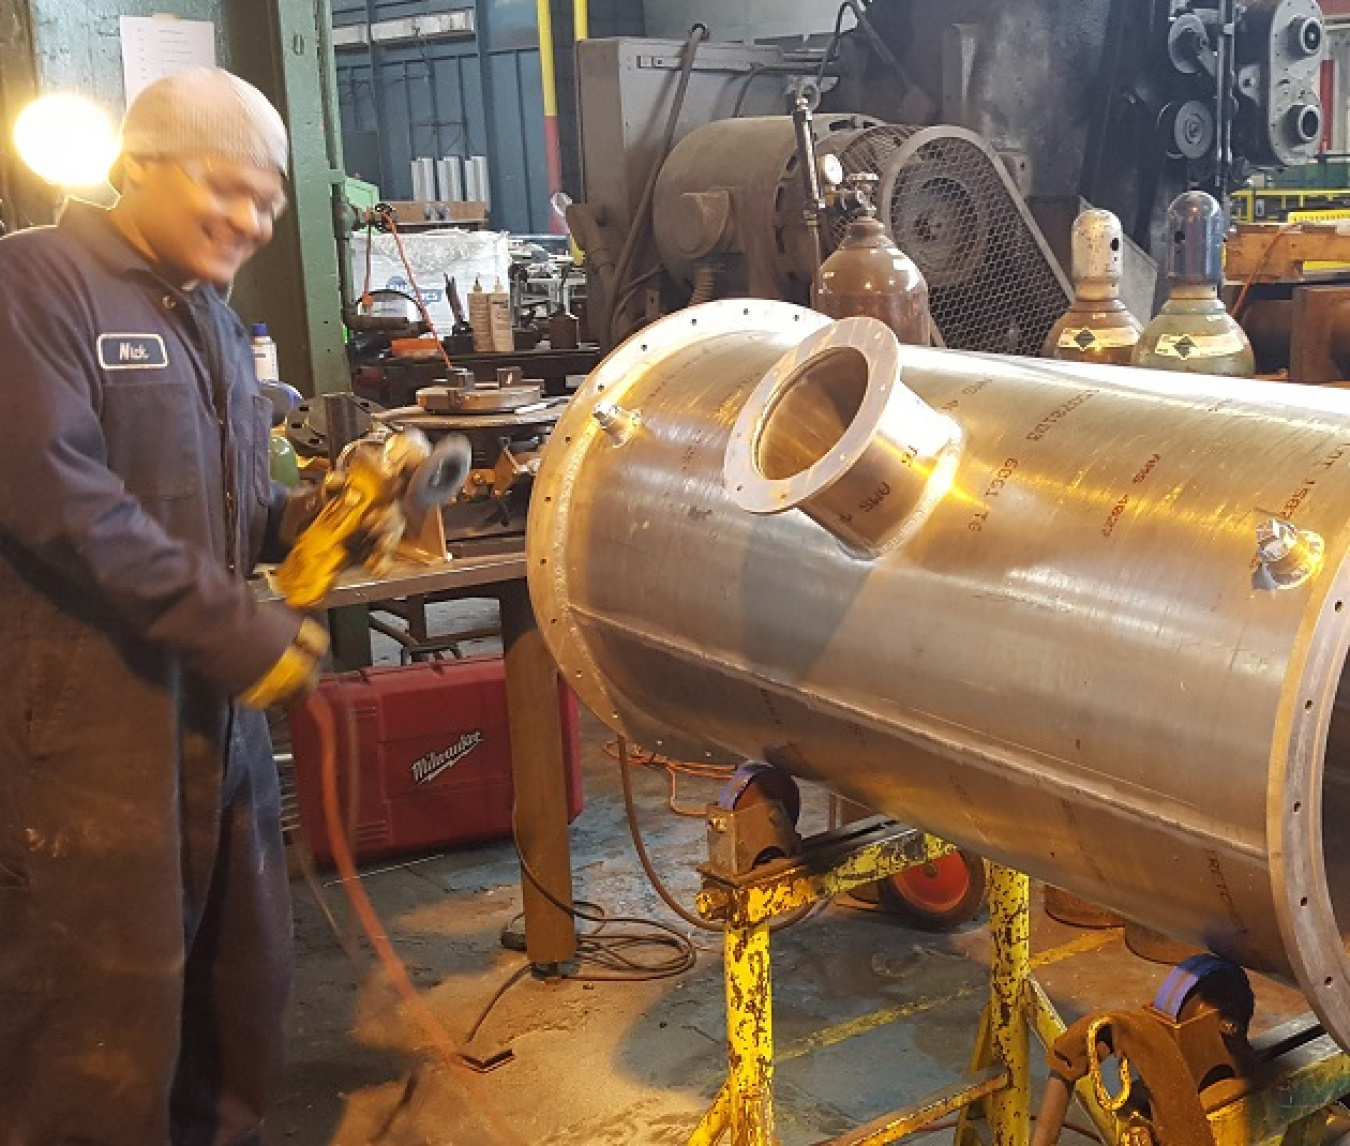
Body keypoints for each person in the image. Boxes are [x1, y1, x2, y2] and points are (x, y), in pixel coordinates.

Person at [0, 68, 328, 1145]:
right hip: (83, 730)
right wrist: (239, 627)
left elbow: (223, 502)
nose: (251, 220)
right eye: (226, 187)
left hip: (217, 722)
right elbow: (61, 501)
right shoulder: (34, 287)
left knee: (238, 999)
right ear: (137, 168)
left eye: (268, 203)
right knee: (98, 1022)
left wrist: (328, 515)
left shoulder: (214, 321)